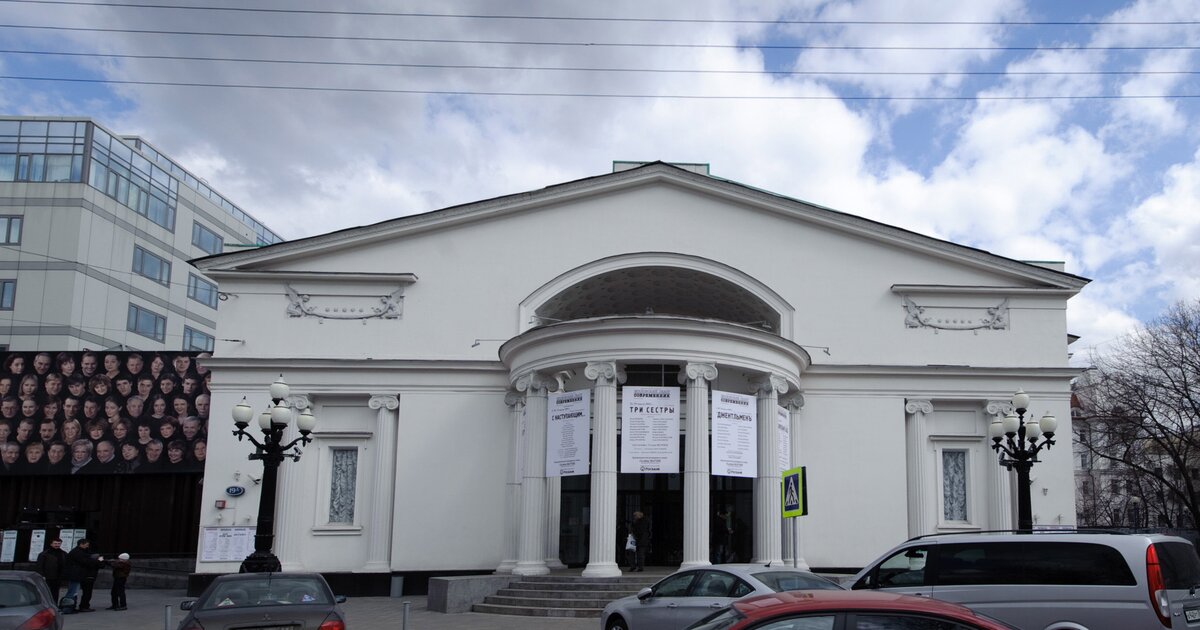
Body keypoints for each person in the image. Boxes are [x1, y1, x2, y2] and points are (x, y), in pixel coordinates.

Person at [64, 538, 103, 613]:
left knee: (74, 591)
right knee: (73, 591)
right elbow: (86, 561)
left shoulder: (80, 551)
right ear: (81, 544)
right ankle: (68, 608)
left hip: (78, 574)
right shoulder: (77, 552)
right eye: (86, 545)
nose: (87, 546)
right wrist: (97, 560)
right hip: (76, 575)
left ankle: (71, 607)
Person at [35, 537, 68, 602]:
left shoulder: (63, 553)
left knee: (55, 592)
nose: (57, 545)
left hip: (58, 576)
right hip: (48, 576)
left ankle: (54, 604)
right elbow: (39, 566)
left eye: (59, 543)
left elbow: (66, 564)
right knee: (46, 592)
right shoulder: (44, 554)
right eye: (55, 543)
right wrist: (42, 575)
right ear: (51, 544)